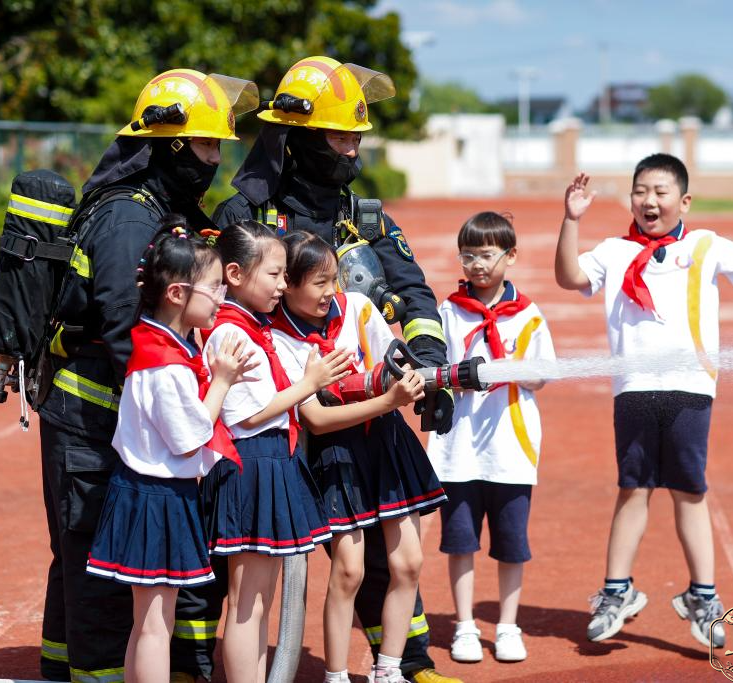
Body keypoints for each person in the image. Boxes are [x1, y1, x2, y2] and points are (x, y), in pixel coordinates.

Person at [174, 56, 459, 683]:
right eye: (338, 136)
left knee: (381, 547)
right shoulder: (246, 216)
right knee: (231, 545)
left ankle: (406, 661)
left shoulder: (365, 215)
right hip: (268, 414)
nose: (351, 150)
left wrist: (431, 367)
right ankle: (189, 665)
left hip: (350, 408)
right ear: (298, 137)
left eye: (357, 137)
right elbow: (206, 302)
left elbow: (414, 295)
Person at [36, 69, 257, 683]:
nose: (214, 159)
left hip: (113, 419)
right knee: (97, 567)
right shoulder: (129, 218)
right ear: (171, 144)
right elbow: (121, 326)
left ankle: (67, 666)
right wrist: (175, 409)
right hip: (90, 422)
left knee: (89, 560)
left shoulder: (163, 209)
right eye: (206, 145)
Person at [553, 154, 733, 647]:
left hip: (691, 389)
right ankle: (616, 591)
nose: (649, 201)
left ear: (684, 201)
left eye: (661, 192)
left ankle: (702, 596)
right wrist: (571, 220)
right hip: (634, 389)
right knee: (633, 488)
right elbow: (569, 277)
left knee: (690, 490)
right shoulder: (615, 251)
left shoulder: (705, 245)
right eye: (640, 191)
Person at [84, 216, 257, 683]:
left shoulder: (163, 344)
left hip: (150, 494)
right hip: (155, 497)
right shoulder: (166, 364)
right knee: (155, 625)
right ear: (178, 294)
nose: (222, 295)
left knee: (148, 622)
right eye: (215, 286)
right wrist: (222, 381)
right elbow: (190, 438)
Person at [270, 230, 446, 683]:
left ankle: (389, 669)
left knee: (408, 562)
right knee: (348, 571)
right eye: (318, 283)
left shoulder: (358, 308)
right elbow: (315, 420)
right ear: (287, 284)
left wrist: (408, 381)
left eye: (334, 279)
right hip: (336, 453)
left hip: (386, 442)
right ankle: (336, 675)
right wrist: (385, 399)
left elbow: (392, 364)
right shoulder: (279, 337)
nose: (330, 291)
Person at [199, 220, 352, 683]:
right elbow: (247, 416)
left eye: (285, 275)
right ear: (235, 274)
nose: (283, 285)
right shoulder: (232, 332)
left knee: (258, 599)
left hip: (267, 460)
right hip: (250, 462)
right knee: (247, 601)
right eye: (274, 275)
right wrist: (310, 383)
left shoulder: (249, 327)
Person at [425, 212, 555, 664]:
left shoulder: (529, 315)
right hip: (458, 449)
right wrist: (458, 376)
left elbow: (542, 374)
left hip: (510, 450)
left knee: (511, 545)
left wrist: (505, 369)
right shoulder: (448, 311)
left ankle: (507, 625)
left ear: (510, 256)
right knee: (460, 541)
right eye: (467, 256)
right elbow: (434, 369)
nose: (477, 265)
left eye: (485, 255)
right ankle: (464, 625)